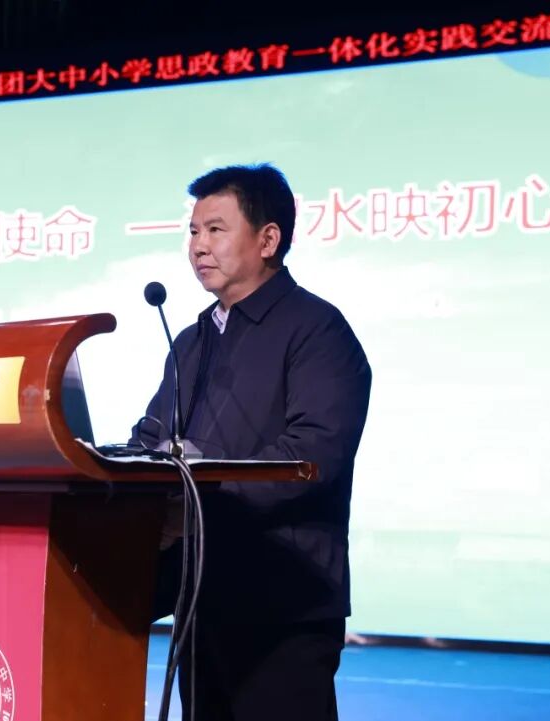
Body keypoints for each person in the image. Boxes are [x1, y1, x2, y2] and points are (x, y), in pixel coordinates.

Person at [134, 163, 372, 721]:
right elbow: (151, 439)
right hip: (201, 596)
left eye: (216, 230)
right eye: (193, 231)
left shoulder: (317, 330)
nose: (198, 246)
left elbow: (314, 454)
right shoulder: (191, 340)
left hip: (282, 603)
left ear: (268, 240)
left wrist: (199, 504)